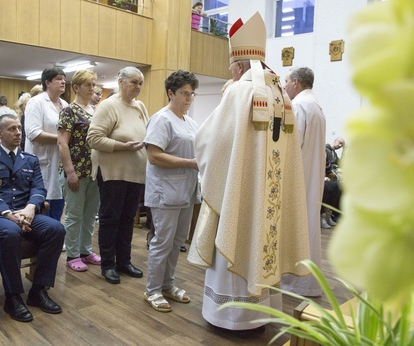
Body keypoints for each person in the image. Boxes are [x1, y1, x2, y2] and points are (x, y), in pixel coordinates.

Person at [187, 13, 310, 331]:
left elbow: (209, 142)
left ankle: (229, 318)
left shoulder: (238, 92)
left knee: (238, 236)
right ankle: (257, 315)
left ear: (239, 65)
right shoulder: (282, 94)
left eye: (231, 67)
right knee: (262, 243)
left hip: (240, 195)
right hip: (271, 195)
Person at [0, 114, 65, 322]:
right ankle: (13, 297)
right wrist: (8, 213)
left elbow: (39, 188)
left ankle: (38, 290)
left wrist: (31, 208)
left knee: (56, 229)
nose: (18, 133)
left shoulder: (29, 159)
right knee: (10, 232)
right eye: (12, 129)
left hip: (26, 212)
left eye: (19, 128)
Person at [143, 70, 200, 312]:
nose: (188, 98)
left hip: (186, 190)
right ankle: (152, 290)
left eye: (192, 94)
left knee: (177, 242)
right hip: (165, 191)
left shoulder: (190, 122)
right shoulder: (162, 119)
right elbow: (154, 156)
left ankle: (168, 284)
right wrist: (190, 163)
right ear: (170, 93)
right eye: (184, 93)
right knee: (162, 242)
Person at [87, 66, 148, 284]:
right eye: (134, 82)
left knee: (126, 220)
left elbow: (146, 133)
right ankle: (108, 264)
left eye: (140, 83)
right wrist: (123, 146)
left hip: (135, 173)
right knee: (110, 219)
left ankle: (124, 261)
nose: (138, 87)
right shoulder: (108, 106)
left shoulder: (140, 106)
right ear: (120, 82)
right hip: (113, 173)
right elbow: (93, 139)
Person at [280, 67, 326, 297]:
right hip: (313, 177)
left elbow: (290, 145)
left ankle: (295, 282)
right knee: (309, 228)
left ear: (296, 83)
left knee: (296, 227)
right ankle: (308, 282)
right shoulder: (316, 106)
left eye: (286, 81)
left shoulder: (297, 106)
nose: (285, 85)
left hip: (299, 178)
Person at [58, 70, 101, 272]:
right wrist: (70, 171)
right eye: (88, 85)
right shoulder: (69, 111)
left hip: (95, 170)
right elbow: (62, 143)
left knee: (91, 214)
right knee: (74, 215)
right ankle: (72, 254)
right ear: (76, 87)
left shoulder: (95, 110)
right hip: (76, 170)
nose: (92, 88)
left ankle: (85, 250)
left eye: (93, 84)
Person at [25, 67, 68, 221]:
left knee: (58, 205)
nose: (63, 81)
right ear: (47, 82)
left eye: (64, 78)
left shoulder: (65, 104)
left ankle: (55, 240)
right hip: (41, 162)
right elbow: (33, 133)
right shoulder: (36, 102)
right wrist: (61, 139)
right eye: (58, 78)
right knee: (43, 209)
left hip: (60, 164)